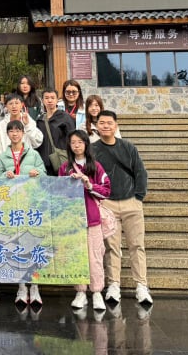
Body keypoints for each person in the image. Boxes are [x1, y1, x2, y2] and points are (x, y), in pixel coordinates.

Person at [91, 110, 151, 306]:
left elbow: (140, 172)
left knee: (137, 245)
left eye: (109, 123)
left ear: (116, 126)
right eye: (102, 123)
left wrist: (138, 197)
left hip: (131, 202)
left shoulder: (128, 147)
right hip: (107, 204)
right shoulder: (92, 150)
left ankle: (141, 285)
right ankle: (114, 285)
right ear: (96, 126)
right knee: (111, 247)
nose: (105, 126)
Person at [58, 130, 111, 312]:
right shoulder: (65, 168)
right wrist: (69, 184)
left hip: (92, 218)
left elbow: (106, 190)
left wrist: (88, 183)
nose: (76, 145)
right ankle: (80, 291)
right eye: (73, 142)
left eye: (80, 142)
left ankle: (96, 292)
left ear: (86, 144)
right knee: (76, 256)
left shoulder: (95, 166)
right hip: (73, 221)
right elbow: (59, 194)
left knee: (95, 256)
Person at [0, 119, 46, 307]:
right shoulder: (3, 157)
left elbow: (44, 174)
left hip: (31, 205)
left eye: (18, 130)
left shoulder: (33, 154)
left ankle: (35, 287)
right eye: (11, 131)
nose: (15, 134)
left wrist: (37, 173)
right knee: (16, 246)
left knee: (33, 245)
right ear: (7, 134)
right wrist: (5, 176)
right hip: (12, 207)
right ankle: (22, 286)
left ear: (23, 133)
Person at [36, 87, 75, 176]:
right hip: (43, 163)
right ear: (42, 100)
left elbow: (72, 139)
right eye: (46, 98)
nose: (49, 100)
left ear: (57, 100)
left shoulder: (65, 118)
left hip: (60, 161)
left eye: (52, 98)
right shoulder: (40, 120)